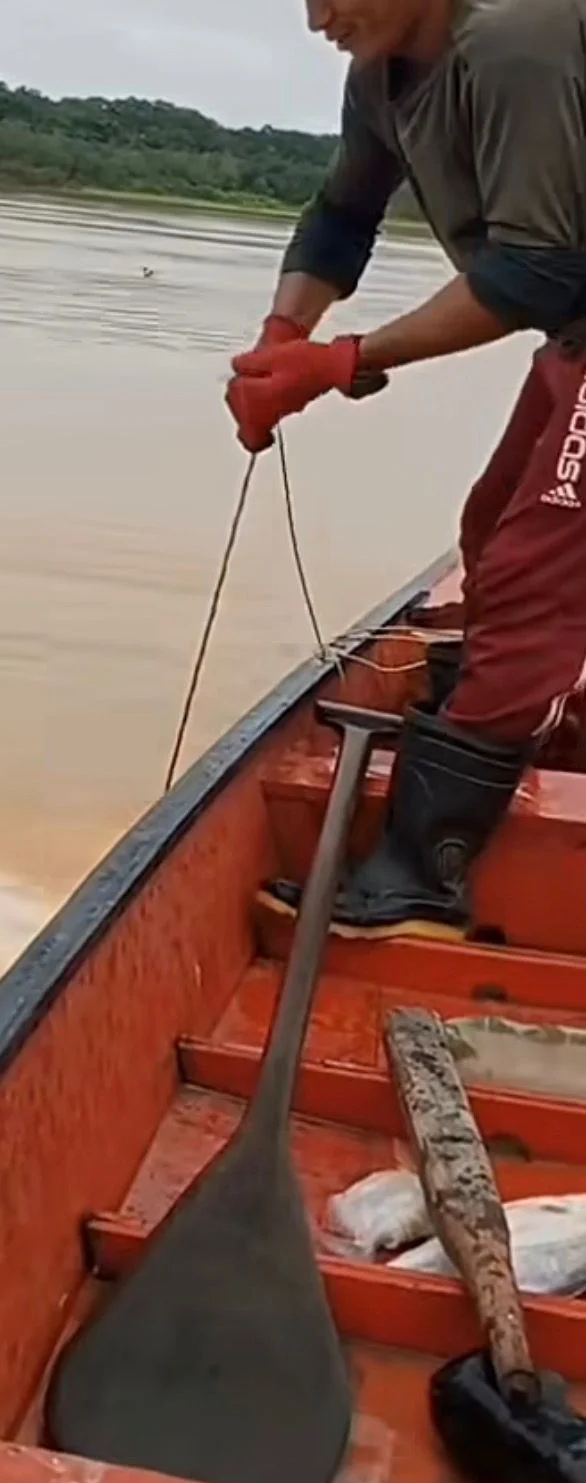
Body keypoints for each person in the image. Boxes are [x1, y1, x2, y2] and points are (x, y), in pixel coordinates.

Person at [229, 0, 586, 942]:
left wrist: (344, 361)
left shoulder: (520, 37)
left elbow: (537, 271)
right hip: (578, 334)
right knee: (488, 529)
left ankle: (427, 873)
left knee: (529, 573)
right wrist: (281, 341)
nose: (318, 18)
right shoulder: (380, 76)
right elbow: (341, 215)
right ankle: (505, 727)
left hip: (567, 304)